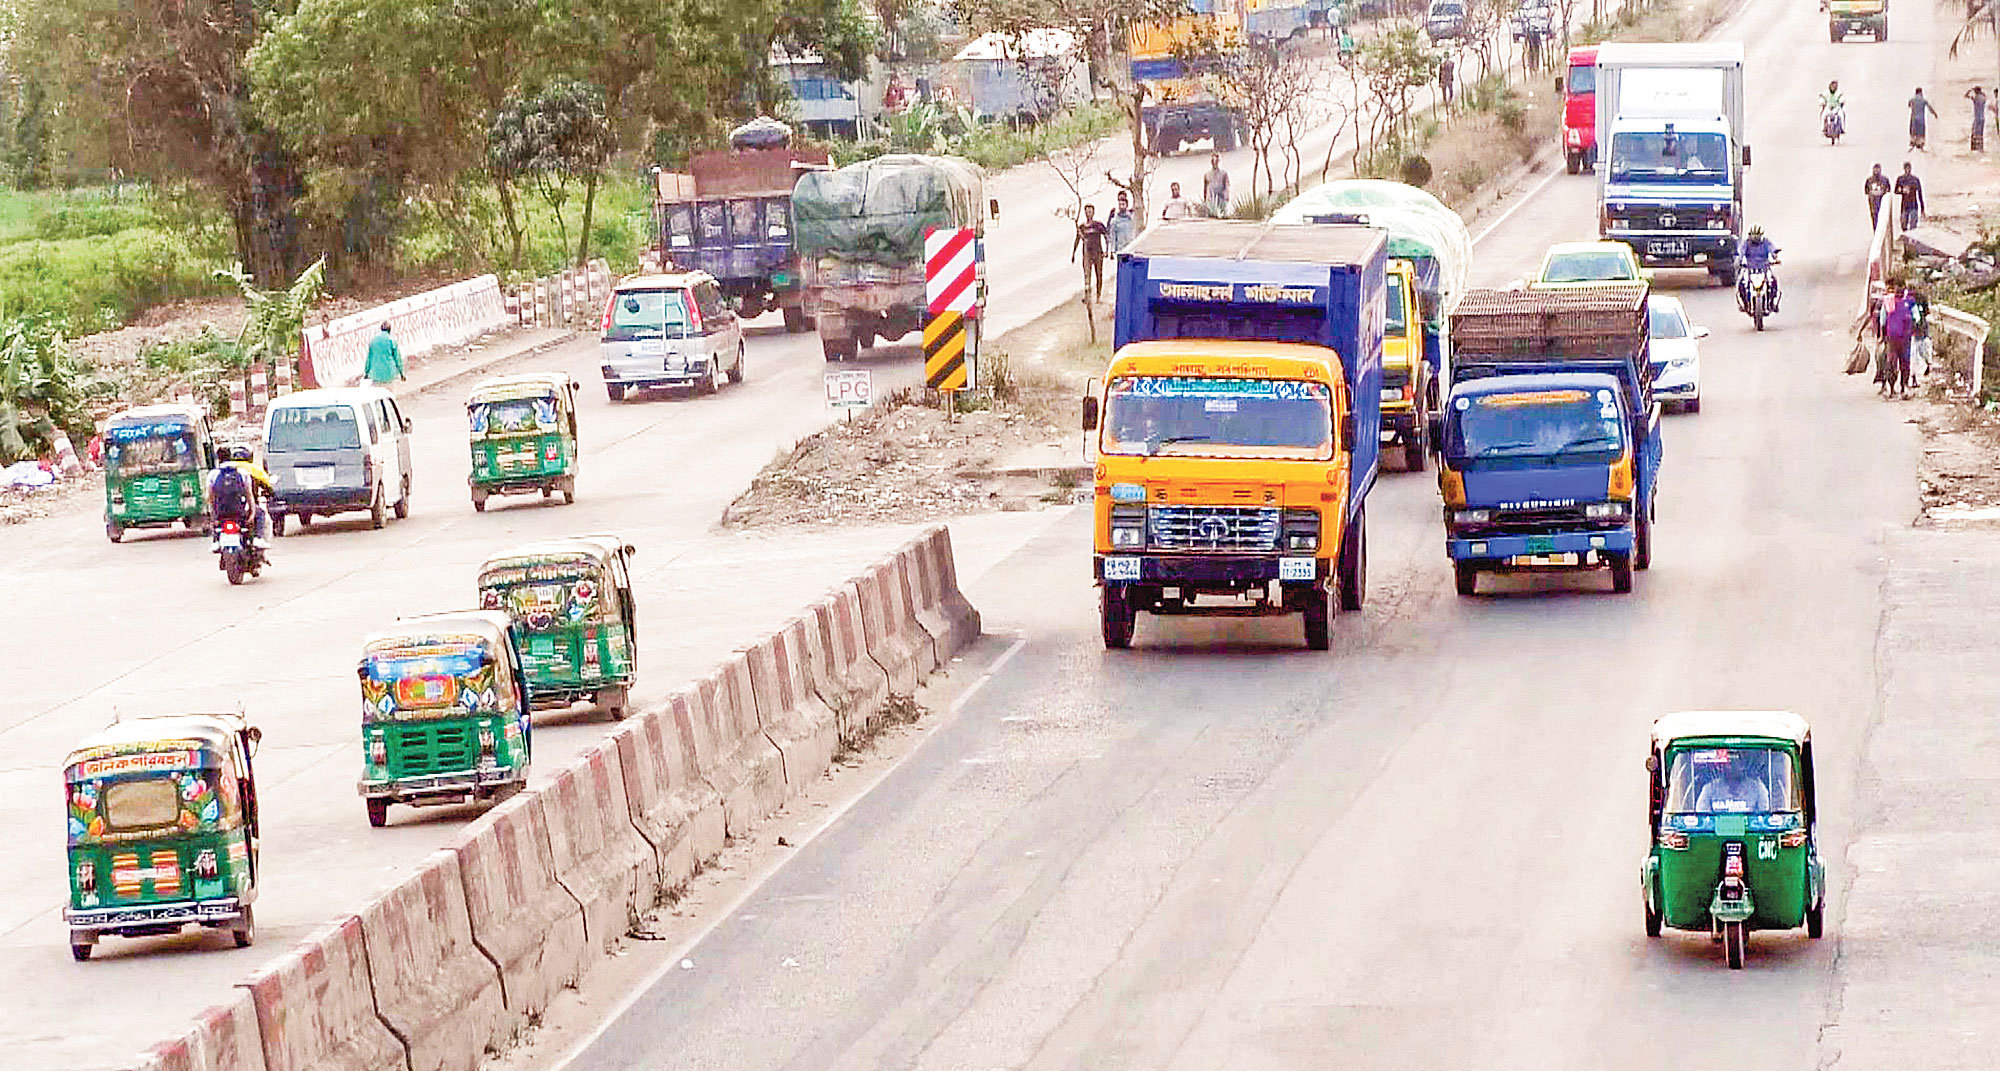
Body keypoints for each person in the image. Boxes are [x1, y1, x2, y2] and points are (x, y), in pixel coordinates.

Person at [208, 444, 275, 549]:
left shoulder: (213, 474)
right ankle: (258, 538)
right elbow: (250, 494)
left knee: (217, 525)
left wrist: (213, 516)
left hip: (221, 513)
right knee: (261, 514)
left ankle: (216, 540)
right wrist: (252, 513)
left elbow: (210, 498)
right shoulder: (246, 471)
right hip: (240, 511)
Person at [1694, 753, 1773, 814]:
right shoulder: (1710, 788)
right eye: (1727, 763)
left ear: (1742, 765)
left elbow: (1764, 813)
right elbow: (1702, 812)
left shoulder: (1757, 788)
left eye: (1734, 762)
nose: (1730, 766)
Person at [1883, 286, 1917, 398]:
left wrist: (1882, 335)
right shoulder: (1910, 303)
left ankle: (1891, 389)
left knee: (1892, 361)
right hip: (1905, 337)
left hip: (1891, 337)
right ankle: (1904, 388)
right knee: (1905, 362)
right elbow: (1917, 318)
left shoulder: (1888, 303)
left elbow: (1882, 321)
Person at [1072, 203, 1110, 303]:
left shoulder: (1098, 225)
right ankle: (1087, 296)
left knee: (1099, 275)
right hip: (1087, 254)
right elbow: (1077, 239)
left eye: (1090, 211)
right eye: (1087, 211)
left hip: (1098, 253)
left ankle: (1098, 296)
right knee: (1087, 275)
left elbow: (1106, 236)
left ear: (1093, 212)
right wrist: (1073, 253)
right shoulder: (1082, 227)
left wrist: (1107, 250)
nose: (1089, 213)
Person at [1737, 225, 1780, 312]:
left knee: (1773, 282)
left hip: (1764, 268)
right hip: (1750, 268)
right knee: (1741, 284)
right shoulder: (1746, 243)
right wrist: (1740, 261)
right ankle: (1745, 304)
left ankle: (1772, 303)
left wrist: (1774, 255)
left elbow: (1772, 249)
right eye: (1754, 235)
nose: (1755, 238)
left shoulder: (1765, 242)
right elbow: (1741, 252)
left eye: (1757, 235)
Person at [364, 323, 405, 391]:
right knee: (390, 396)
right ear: (389, 330)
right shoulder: (391, 340)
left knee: (378, 397)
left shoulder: (373, 340)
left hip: (376, 374)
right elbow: (397, 358)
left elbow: (369, 358)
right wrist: (402, 373)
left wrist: (366, 372)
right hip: (389, 374)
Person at [1894, 161, 1925, 231]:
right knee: (1903, 224)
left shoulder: (1915, 180)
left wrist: (1922, 208)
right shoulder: (1900, 179)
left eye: (1909, 168)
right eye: (1906, 168)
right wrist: (1902, 190)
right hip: (1904, 205)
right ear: (1904, 169)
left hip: (1914, 205)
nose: (1907, 170)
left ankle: (1912, 240)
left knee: (1913, 226)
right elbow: (1895, 191)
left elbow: (1920, 194)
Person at [1968, 85, 1988, 152]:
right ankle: (1980, 148)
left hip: (1977, 118)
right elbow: (1985, 96)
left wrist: (1969, 91)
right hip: (1982, 118)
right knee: (1980, 135)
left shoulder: (1977, 97)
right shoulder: (1982, 98)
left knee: (1975, 134)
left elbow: (1966, 96)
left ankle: (1975, 149)